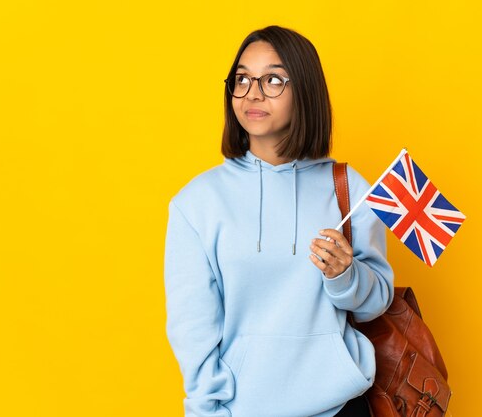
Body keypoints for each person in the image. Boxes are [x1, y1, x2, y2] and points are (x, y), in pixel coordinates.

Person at [164, 25, 394, 417]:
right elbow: (193, 333)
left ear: (304, 90)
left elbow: (376, 302)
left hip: (341, 406)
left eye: (272, 79)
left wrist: (345, 275)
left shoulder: (348, 188)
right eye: (242, 79)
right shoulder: (196, 203)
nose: (253, 93)